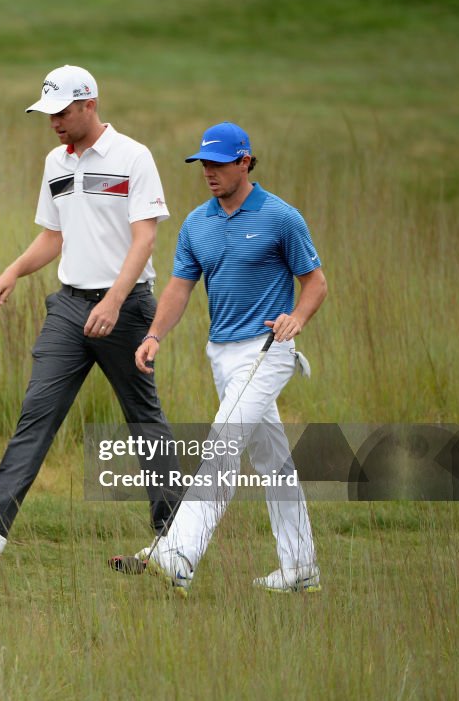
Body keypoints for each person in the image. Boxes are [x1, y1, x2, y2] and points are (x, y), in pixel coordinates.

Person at [0, 65, 183, 558]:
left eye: (62, 112)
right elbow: (54, 236)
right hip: (69, 308)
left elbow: (146, 238)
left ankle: (177, 535)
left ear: (89, 104)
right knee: (37, 411)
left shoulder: (133, 157)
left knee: (143, 418)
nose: (53, 121)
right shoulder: (56, 161)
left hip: (127, 309)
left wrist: (114, 301)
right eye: (47, 113)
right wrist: (11, 272)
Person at [114, 121, 328, 595]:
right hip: (223, 354)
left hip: (268, 348)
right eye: (203, 164)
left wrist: (297, 318)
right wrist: (154, 335)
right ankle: (301, 566)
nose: (209, 171)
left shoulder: (280, 217)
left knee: (221, 446)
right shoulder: (196, 223)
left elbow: (315, 283)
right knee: (273, 461)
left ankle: (179, 554)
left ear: (245, 161)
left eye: (219, 163)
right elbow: (178, 288)